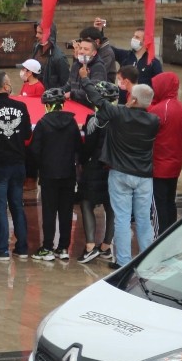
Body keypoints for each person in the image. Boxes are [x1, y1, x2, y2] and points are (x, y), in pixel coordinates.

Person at [82, 76, 160, 267]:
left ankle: (124, 262)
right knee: (143, 220)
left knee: (122, 219)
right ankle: (147, 262)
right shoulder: (154, 121)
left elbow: (98, 100)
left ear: (133, 100)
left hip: (120, 174)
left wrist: (85, 80)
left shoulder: (119, 114)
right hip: (144, 176)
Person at [0, 71, 32, 261]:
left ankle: (2, 248)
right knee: (17, 205)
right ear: (5, 86)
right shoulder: (21, 106)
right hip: (18, 163)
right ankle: (22, 246)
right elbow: (27, 134)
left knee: (0, 207)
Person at [28, 88, 82, 261]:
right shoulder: (72, 123)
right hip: (68, 174)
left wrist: (37, 168)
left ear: (49, 105)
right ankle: (63, 248)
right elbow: (78, 147)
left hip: (49, 174)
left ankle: (47, 247)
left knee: (49, 212)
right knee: (66, 212)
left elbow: (34, 151)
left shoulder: (43, 124)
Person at [76, 81, 118, 264]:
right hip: (115, 168)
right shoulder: (122, 117)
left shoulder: (95, 119)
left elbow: (88, 147)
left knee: (86, 203)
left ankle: (90, 246)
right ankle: (106, 246)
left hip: (95, 167)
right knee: (111, 208)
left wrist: (81, 162)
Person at [148, 72, 182, 234]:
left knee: (159, 204)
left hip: (160, 166)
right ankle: (171, 235)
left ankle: (161, 237)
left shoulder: (160, 110)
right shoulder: (180, 107)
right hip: (175, 164)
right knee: (170, 202)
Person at [67, 38, 106, 107]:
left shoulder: (98, 67)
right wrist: (59, 92)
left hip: (90, 108)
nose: (81, 51)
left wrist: (71, 94)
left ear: (94, 53)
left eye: (86, 49)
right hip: (74, 105)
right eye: (80, 48)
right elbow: (69, 85)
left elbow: (93, 91)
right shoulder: (76, 64)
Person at [31, 23, 70, 89]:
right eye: (36, 32)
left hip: (49, 95)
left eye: (40, 33)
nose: (36, 35)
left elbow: (65, 83)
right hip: (35, 91)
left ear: (50, 35)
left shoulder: (59, 58)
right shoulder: (36, 47)